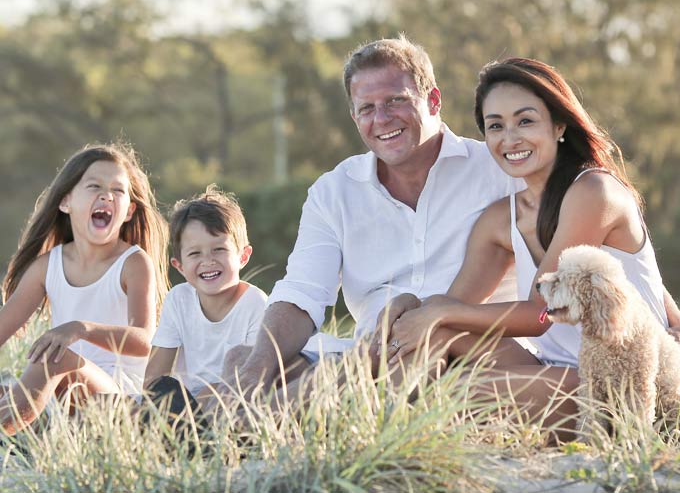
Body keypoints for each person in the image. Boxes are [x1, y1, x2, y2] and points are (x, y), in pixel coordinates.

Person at [215, 35, 521, 400]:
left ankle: (257, 420)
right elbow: (302, 293)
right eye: (367, 108)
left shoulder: (498, 171)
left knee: (406, 355)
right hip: (367, 357)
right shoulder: (334, 192)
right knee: (245, 359)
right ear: (354, 116)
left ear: (434, 100)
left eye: (396, 101)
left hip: (463, 350)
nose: (382, 118)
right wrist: (256, 371)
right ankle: (263, 415)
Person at [384, 57, 680, 426]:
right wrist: (415, 307)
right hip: (552, 368)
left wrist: (439, 310)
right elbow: (456, 307)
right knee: (438, 333)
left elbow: (542, 314)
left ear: (558, 125)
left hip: (621, 384)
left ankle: (391, 426)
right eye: (496, 126)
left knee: (453, 391)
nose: (510, 139)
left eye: (525, 121)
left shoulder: (593, 191)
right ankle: (373, 427)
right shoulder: (499, 219)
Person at [0, 143, 169, 434]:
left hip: (120, 398)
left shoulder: (133, 263)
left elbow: (144, 340)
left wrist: (82, 329)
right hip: (64, 401)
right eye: (94, 186)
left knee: (55, 355)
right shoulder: (47, 266)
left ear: (128, 211)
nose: (107, 195)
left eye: (117, 190)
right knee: (11, 388)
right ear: (66, 202)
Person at [143, 185, 267, 411]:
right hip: (181, 404)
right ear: (179, 266)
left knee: (214, 393)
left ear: (243, 256)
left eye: (219, 249)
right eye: (194, 253)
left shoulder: (255, 304)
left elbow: (249, 382)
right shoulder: (178, 299)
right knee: (117, 402)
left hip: (230, 405)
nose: (208, 260)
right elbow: (154, 375)